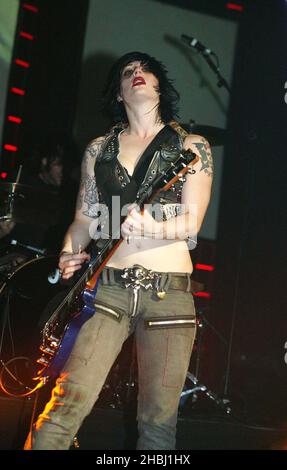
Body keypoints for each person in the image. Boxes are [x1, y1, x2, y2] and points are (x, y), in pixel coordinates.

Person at [24, 51, 213, 450]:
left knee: (158, 424)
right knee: (66, 406)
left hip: (169, 294)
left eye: (145, 69)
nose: (136, 74)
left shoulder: (191, 146)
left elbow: (192, 224)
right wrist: (69, 250)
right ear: (119, 92)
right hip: (107, 288)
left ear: (160, 84)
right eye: (127, 72)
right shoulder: (98, 150)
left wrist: (151, 226)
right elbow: (83, 220)